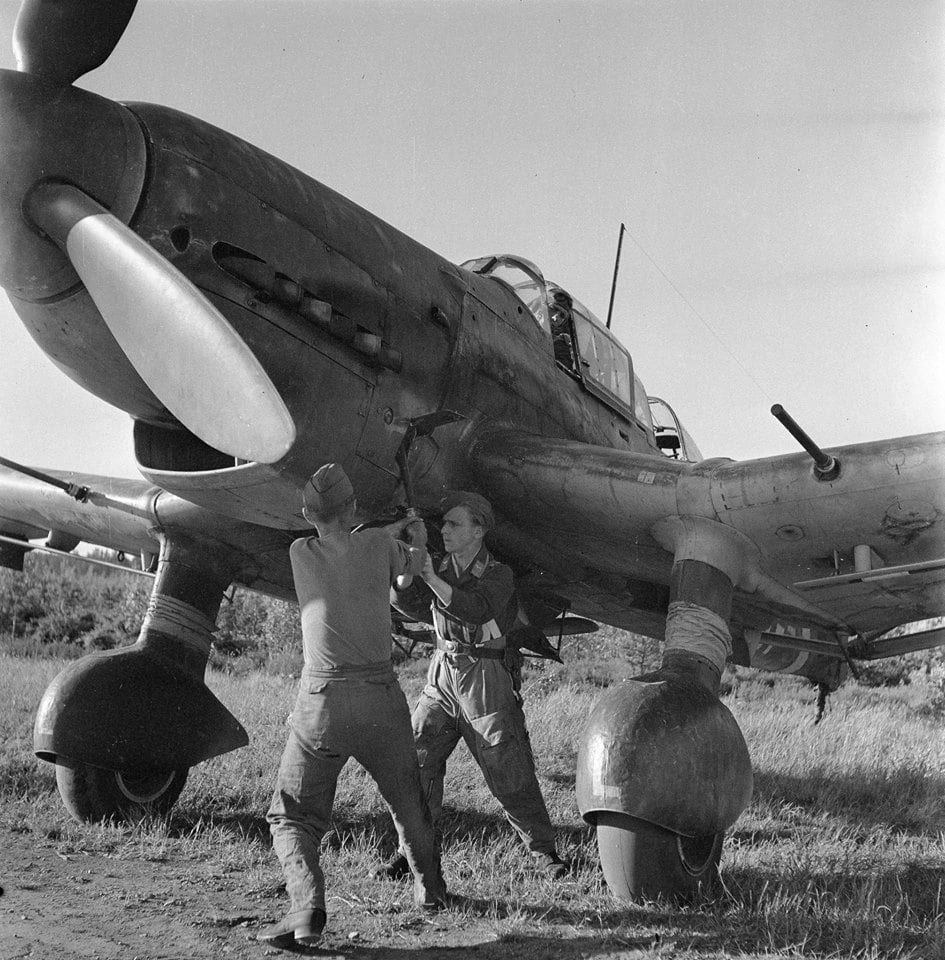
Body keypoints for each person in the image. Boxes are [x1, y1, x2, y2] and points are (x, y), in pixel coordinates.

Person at [260, 463, 447, 950]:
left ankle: (306, 907)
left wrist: (384, 531)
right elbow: (407, 575)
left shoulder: (300, 552)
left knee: (292, 816)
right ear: (354, 507)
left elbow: (347, 541)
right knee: (408, 802)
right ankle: (430, 891)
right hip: (380, 700)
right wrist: (415, 535)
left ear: (307, 515)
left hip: (321, 704)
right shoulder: (380, 546)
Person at [379, 491, 567, 881]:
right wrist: (407, 565)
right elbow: (410, 604)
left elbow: (476, 609)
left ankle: (544, 853)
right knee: (418, 756)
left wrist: (430, 577)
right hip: (442, 673)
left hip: (486, 675)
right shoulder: (439, 566)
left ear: (478, 531)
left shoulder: (499, 574)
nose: (444, 530)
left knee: (506, 766)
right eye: (443, 523)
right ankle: (413, 852)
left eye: (454, 524)